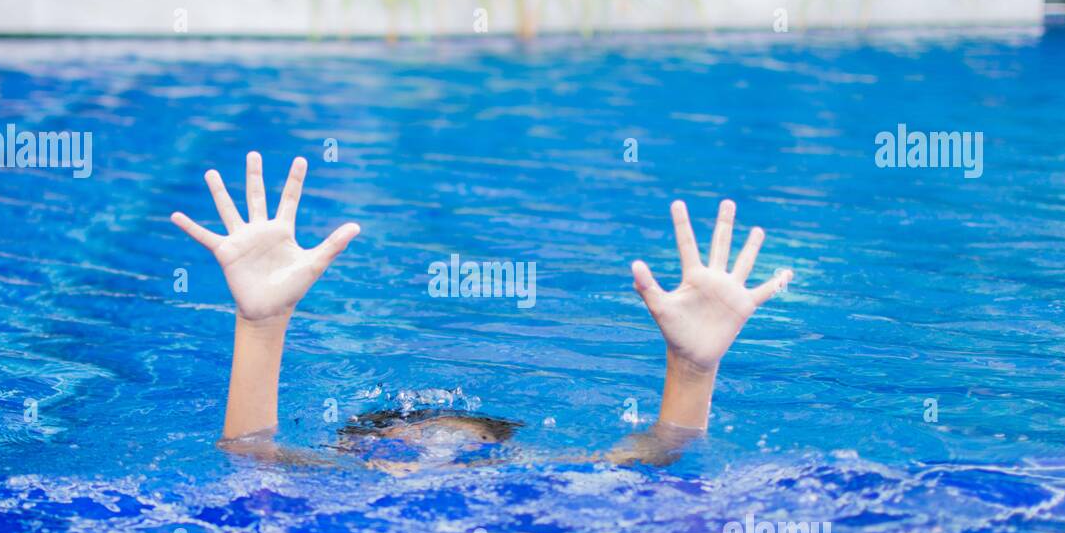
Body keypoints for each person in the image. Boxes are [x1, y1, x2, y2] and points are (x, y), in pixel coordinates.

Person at [170, 152, 793, 471]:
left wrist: (693, 368)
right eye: (406, 454)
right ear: (354, 459)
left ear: (504, 462)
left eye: (460, 455)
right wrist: (260, 324)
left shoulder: (540, 485)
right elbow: (250, 459)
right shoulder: (337, 485)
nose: (434, 467)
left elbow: (663, 454)